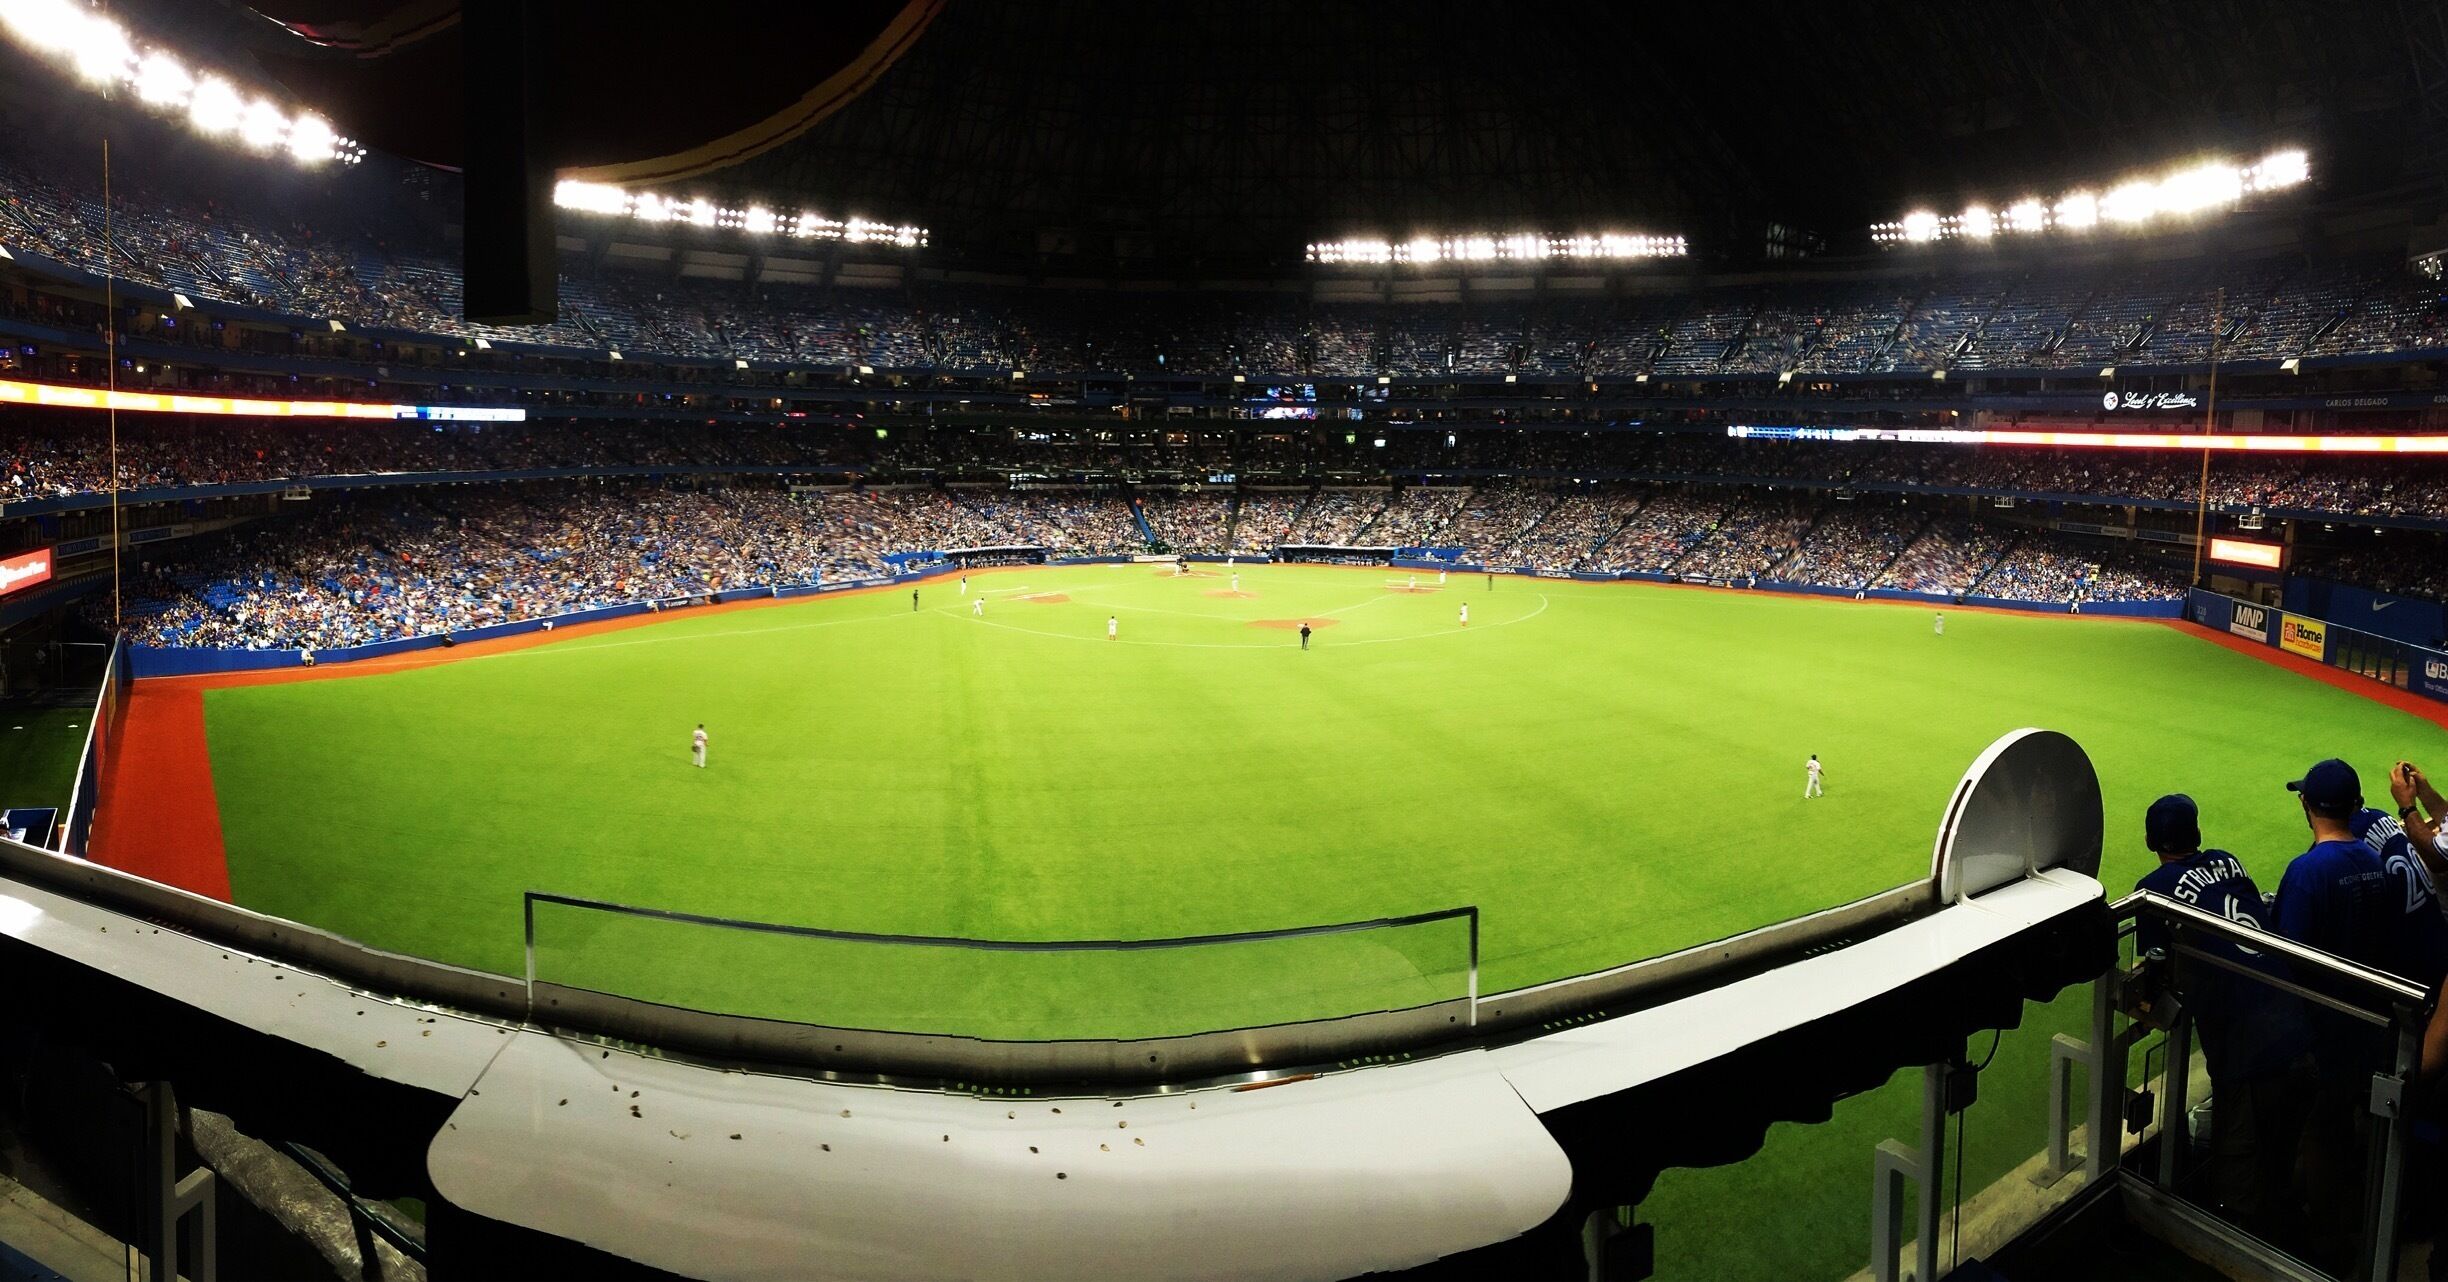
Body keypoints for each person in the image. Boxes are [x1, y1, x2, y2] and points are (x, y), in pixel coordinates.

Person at [2133, 794, 2313, 1230]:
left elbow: (2155, 973)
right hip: (2299, 1021)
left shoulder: (2153, 890)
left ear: (2150, 841)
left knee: (2241, 1178)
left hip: (2248, 1050)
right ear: (2196, 834)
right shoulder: (2226, 860)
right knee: (2289, 1150)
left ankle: (2244, 1247)